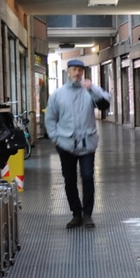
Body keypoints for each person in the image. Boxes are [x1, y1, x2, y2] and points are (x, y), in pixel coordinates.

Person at [45, 59, 111, 229]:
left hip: (87, 143)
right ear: (68, 71)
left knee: (88, 177)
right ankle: (76, 213)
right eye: (74, 70)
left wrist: (91, 90)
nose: (77, 73)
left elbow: (104, 105)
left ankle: (87, 214)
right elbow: (50, 118)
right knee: (69, 180)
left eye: (80, 70)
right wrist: (56, 139)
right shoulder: (58, 95)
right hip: (65, 144)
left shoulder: (90, 90)